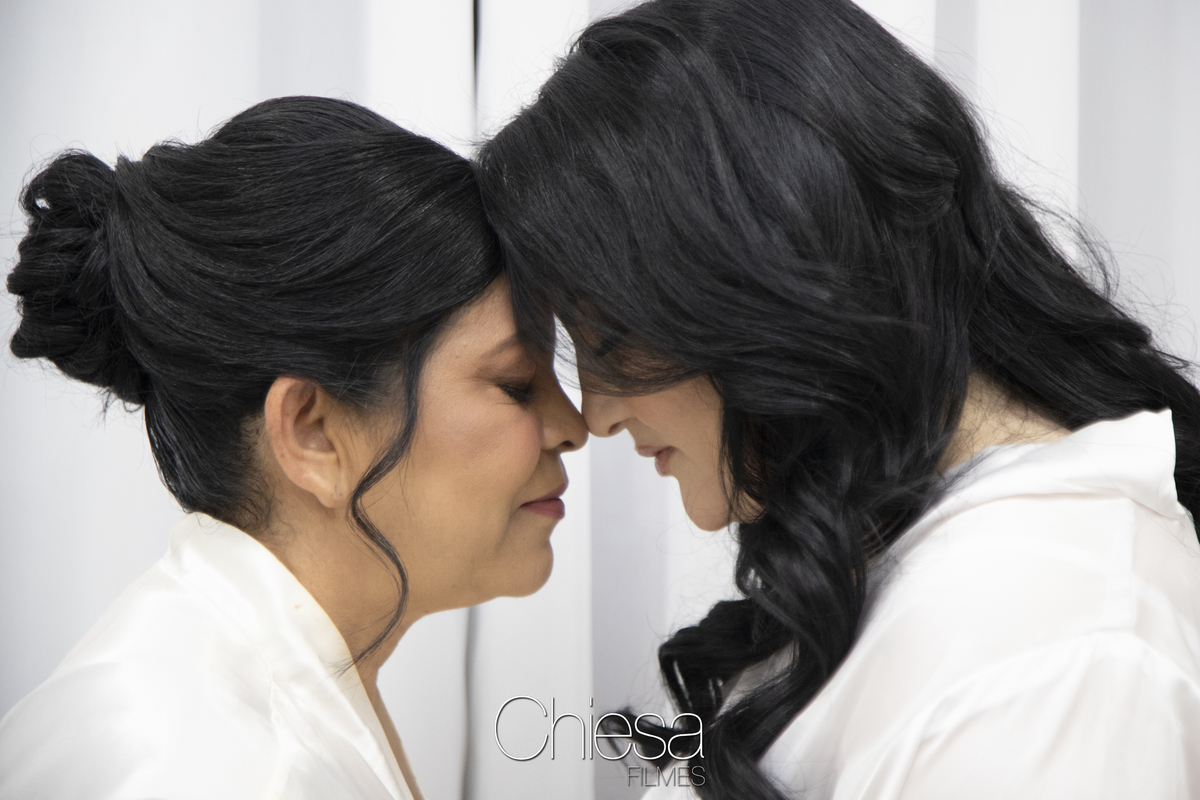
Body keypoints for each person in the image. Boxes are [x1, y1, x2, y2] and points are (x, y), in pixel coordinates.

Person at [475, 0, 1200, 797]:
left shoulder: (1050, 653)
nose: (596, 415)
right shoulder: (924, 567)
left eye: (613, 340)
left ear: (760, 270)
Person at [0, 96, 587, 800]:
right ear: (312, 432)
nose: (575, 426)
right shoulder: (239, 769)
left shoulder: (270, 697)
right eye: (517, 384)